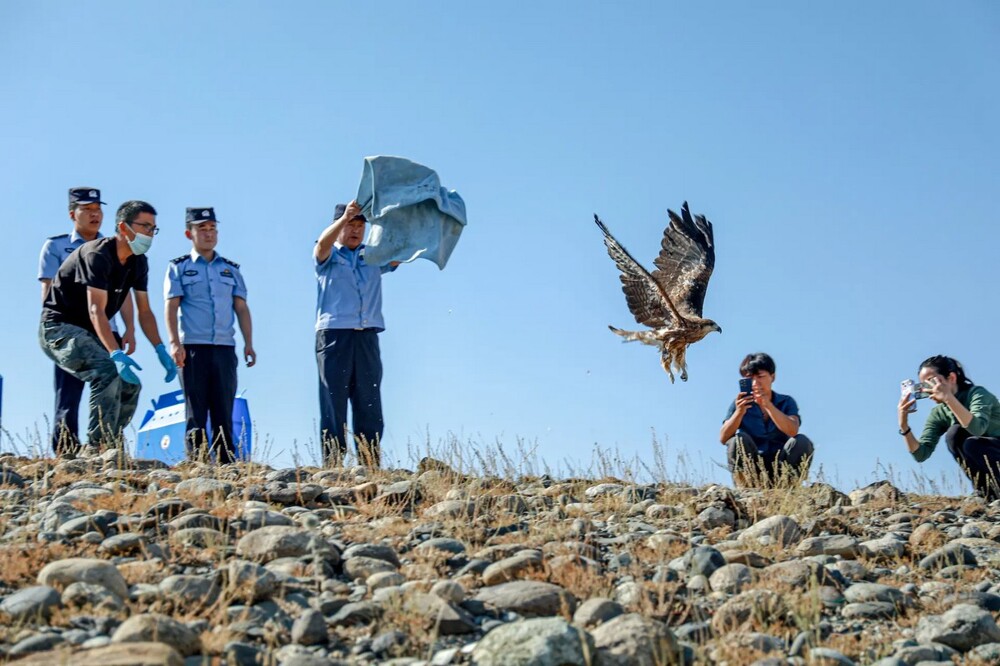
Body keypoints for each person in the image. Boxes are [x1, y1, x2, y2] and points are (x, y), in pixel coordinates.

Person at [39, 200, 177, 450]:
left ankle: (111, 445)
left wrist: (160, 349)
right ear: (124, 227)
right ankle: (97, 448)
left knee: (130, 385)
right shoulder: (97, 254)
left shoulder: (138, 262)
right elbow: (96, 309)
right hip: (58, 328)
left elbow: (145, 311)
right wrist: (115, 353)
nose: (150, 234)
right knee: (107, 371)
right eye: (145, 226)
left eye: (153, 228)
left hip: (89, 332)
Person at [38, 187, 136, 454]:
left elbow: (124, 293)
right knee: (68, 392)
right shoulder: (56, 246)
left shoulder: (116, 247)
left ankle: (108, 447)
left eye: (98, 210)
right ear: (73, 214)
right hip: (71, 328)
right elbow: (48, 289)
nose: (95, 215)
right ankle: (66, 449)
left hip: (106, 330)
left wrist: (130, 328)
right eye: (87, 210)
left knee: (114, 387)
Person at [164, 207, 255, 463]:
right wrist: (174, 343)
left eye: (212, 228)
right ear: (188, 233)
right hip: (193, 347)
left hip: (225, 348)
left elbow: (241, 308)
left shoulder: (231, 269)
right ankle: (198, 462)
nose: (208, 234)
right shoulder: (178, 267)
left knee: (223, 408)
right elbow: (171, 306)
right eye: (202, 228)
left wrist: (249, 343)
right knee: (196, 410)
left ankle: (226, 461)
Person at [314, 200, 398, 467]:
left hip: (367, 336)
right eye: (350, 224)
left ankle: (370, 463)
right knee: (333, 400)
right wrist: (342, 218)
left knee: (369, 400)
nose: (355, 231)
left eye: (360, 225)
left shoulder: (373, 255)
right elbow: (321, 247)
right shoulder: (329, 254)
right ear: (338, 226)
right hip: (334, 336)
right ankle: (333, 466)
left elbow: (399, 253)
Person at [897, 355, 1000, 499]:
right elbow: (920, 454)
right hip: (986, 457)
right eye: (923, 385)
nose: (928, 389)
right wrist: (904, 425)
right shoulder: (939, 413)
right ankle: (988, 493)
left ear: (951, 378)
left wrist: (948, 398)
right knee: (955, 435)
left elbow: (977, 429)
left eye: (931, 382)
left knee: (970, 442)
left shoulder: (977, 394)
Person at [720, 352, 814, 486]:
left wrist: (768, 405)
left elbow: (793, 430)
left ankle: (790, 488)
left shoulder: (786, 402)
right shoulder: (738, 403)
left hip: (782, 466)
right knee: (737, 440)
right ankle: (746, 490)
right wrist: (739, 412)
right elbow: (723, 437)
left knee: (802, 441)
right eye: (750, 378)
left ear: (772, 377)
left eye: (760, 377)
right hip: (753, 468)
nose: (755, 383)